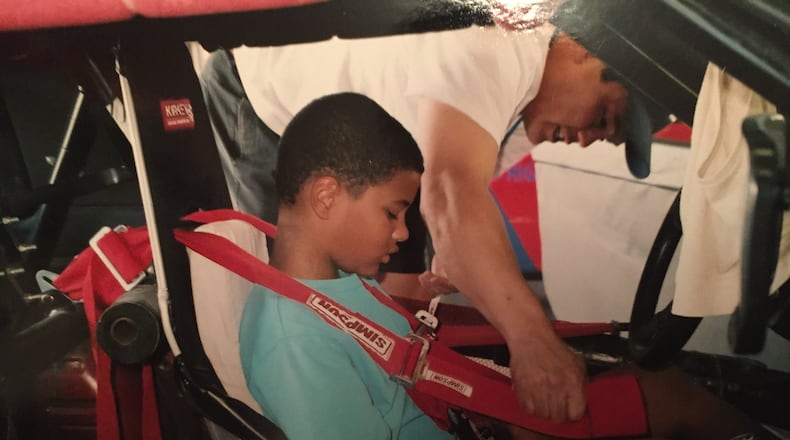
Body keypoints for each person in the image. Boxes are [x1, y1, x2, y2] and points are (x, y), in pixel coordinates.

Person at [238, 92, 779, 440]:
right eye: (393, 212)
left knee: (661, 391)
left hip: (467, 419)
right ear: (326, 197)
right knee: (671, 402)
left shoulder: (339, 285)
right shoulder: (293, 342)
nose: (404, 233)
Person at [201, 16, 652, 422]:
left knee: (394, 308)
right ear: (582, 49)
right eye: (602, 117)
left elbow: (452, 196)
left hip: (387, 139)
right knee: (299, 302)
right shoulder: (502, 46)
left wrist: (445, 254)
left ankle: (393, 405)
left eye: (605, 139)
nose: (589, 139)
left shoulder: (528, 109)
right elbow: (450, 197)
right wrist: (533, 343)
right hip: (263, 88)